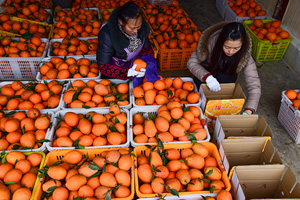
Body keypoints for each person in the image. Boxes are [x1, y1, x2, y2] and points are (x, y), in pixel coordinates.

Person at [187, 21, 261, 115]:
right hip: (204, 76)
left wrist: (249, 109)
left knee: (224, 77)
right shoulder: (209, 43)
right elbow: (192, 63)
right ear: (221, 42)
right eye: (227, 47)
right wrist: (207, 78)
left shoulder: (244, 55)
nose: (230, 51)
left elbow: (254, 84)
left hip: (224, 81)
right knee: (197, 98)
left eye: (236, 48)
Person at [96, 2, 154, 80]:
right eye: (132, 28)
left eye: (138, 26)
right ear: (121, 22)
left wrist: (148, 63)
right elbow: (103, 66)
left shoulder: (142, 27)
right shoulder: (107, 34)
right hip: (115, 71)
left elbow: (146, 48)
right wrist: (127, 72)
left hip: (136, 66)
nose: (136, 31)